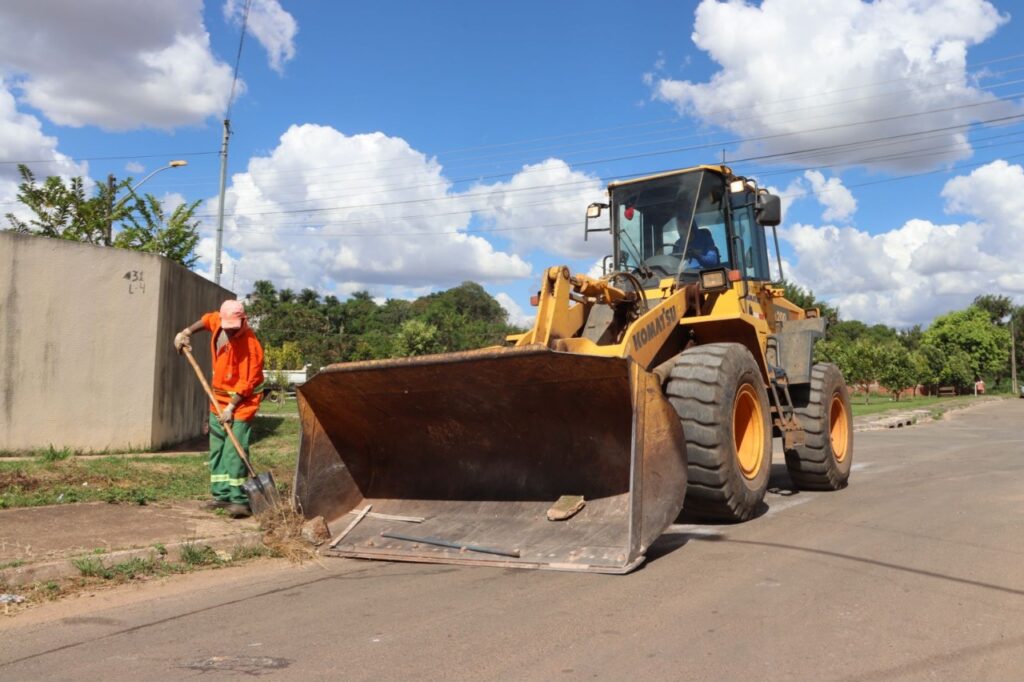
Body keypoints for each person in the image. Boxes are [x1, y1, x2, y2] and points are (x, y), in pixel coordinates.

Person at [174, 300, 265, 518]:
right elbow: (207, 320)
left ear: (244, 321)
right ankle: (221, 495)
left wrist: (232, 408)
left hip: (241, 404)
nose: (230, 332)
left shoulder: (251, 346)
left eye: (234, 328)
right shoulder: (220, 322)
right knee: (217, 449)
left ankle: (240, 500)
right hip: (218, 402)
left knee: (234, 452)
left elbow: (248, 382)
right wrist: (185, 332)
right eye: (227, 327)